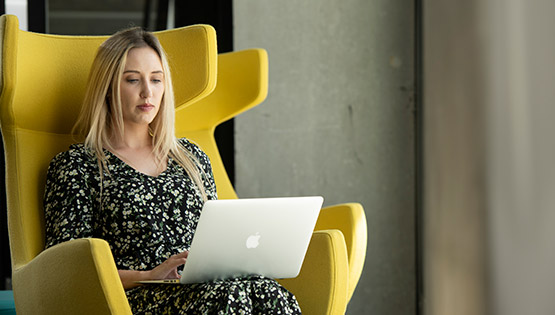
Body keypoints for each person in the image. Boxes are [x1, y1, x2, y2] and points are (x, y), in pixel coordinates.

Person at [43, 26, 301, 314]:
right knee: (226, 298)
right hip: (141, 298)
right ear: (107, 87)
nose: (147, 92)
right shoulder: (77, 166)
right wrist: (150, 275)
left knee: (268, 292)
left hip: (209, 288)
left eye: (156, 80)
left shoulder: (190, 157)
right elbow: (69, 273)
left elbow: (216, 238)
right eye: (132, 80)